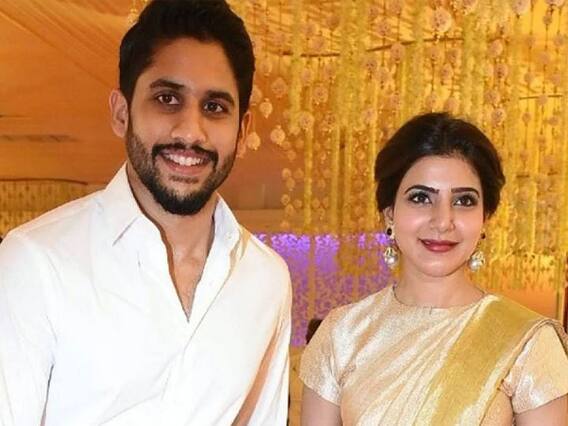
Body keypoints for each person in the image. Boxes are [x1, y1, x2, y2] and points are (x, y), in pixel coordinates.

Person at [0, 1, 291, 425]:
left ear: (242, 131)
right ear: (122, 113)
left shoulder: (266, 279)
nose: (190, 131)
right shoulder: (36, 262)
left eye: (214, 107)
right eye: (167, 99)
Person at [300, 112, 568, 425]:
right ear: (389, 213)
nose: (443, 221)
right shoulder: (341, 335)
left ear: (485, 219)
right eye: (420, 197)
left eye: (464, 201)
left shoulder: (527, 341)